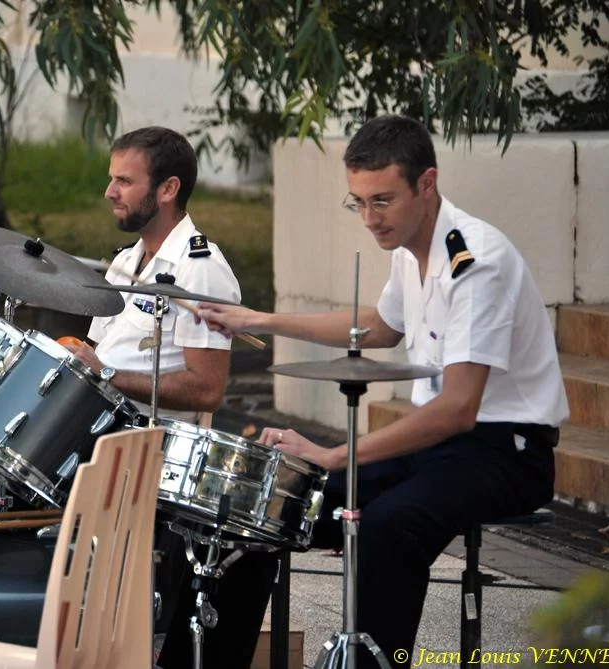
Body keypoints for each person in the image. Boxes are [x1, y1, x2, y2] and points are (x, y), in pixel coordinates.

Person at [0, 126, 265, 668]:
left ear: (168, 189)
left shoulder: (200, 267)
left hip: (141, 445)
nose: (110, 191)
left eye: (124, 181)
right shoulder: (126, 262)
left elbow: (207, 386)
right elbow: (100, 360)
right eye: (112, 178)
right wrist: (81, 360)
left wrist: (101, 369)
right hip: (91, 427)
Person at [197, 114, 568, 667]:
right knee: (270, 503)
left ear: (427, 183)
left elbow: (459, 409)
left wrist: (336, 453)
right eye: (359, 202)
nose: (369, 218)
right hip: (438, 448)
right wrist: (260, 320)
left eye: (383, 201)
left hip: (506, 452)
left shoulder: (477, 264)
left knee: (388, 528)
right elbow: (380, 327)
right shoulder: (409, 245)